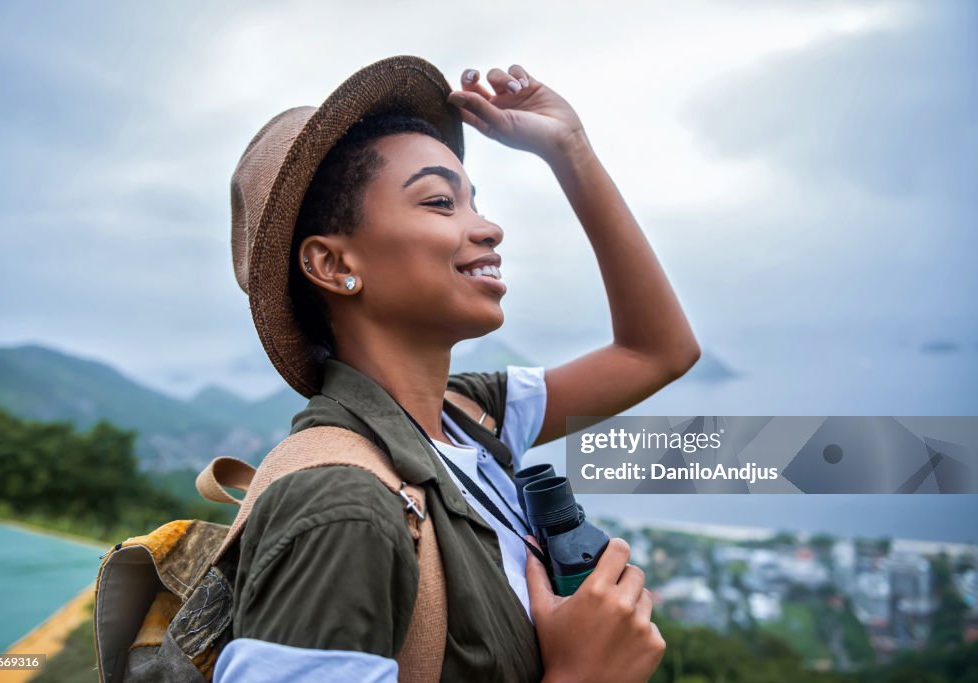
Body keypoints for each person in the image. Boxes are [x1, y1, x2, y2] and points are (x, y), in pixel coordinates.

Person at [217, 56, 699, 682]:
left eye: (476, 202)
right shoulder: (342, 506)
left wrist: (569, 150)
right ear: (333, 265)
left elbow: (656, 353)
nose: (489, 228)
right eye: (441, 201)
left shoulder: (464, 417)